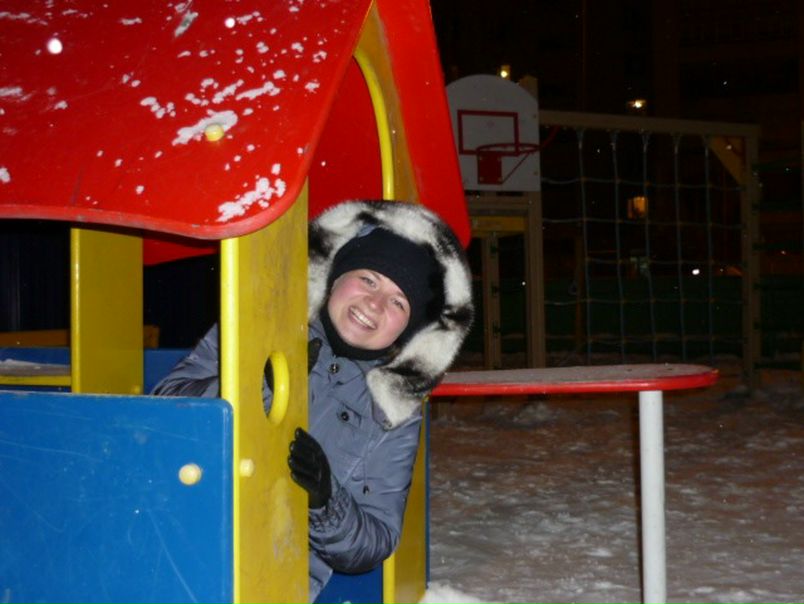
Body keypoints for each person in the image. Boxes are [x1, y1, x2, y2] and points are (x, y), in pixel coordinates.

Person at [152, 199, 474, 601]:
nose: (375, 304)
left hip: (271, 583)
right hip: (171, 540)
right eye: (369, 279)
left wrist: (325, 501)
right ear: (336, 276)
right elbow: (164, 408)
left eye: (398, 302)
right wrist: (255, 385)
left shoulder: (392, 408)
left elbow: (375, 541)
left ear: (407, 330)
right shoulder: (259, 322)